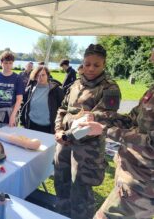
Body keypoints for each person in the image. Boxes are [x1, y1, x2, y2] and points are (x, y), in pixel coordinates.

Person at [54, 44, 121, 219]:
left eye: (96, 65)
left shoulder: (109, 89)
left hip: (87, 151)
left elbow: (98, 121)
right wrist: (59, 130)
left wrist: (68, 133)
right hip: (64, 144)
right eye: (87, 63)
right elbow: (62, 108)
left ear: (104, 64)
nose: (90, 68)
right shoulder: (77, 83)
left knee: (80, 193)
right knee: (61, 184)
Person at [93, 48, 154, 219]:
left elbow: (151, 141)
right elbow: (132, 119)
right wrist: (97, 116)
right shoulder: (152, 90)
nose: (150, 57)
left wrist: (106, 130)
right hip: (130, 173)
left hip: (143, 183)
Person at [20, 65, 64, 134]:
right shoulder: (30, 89)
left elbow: (62, 109)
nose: (40, 78)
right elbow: (23, 106)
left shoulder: (56, 90)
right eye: (38, 76)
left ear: (48, 75)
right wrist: (23, 122)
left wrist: (60, 127)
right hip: (31, 125)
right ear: (34, 77)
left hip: (49, 128)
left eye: (43, 75)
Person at [0, 51, 24, 130]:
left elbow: (19, 99)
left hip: (9, 114)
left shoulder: (17, 78)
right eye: (6, 63)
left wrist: (13, 116)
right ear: (1, 63)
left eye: (10, 63)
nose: (8, 65)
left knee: (7, 138)